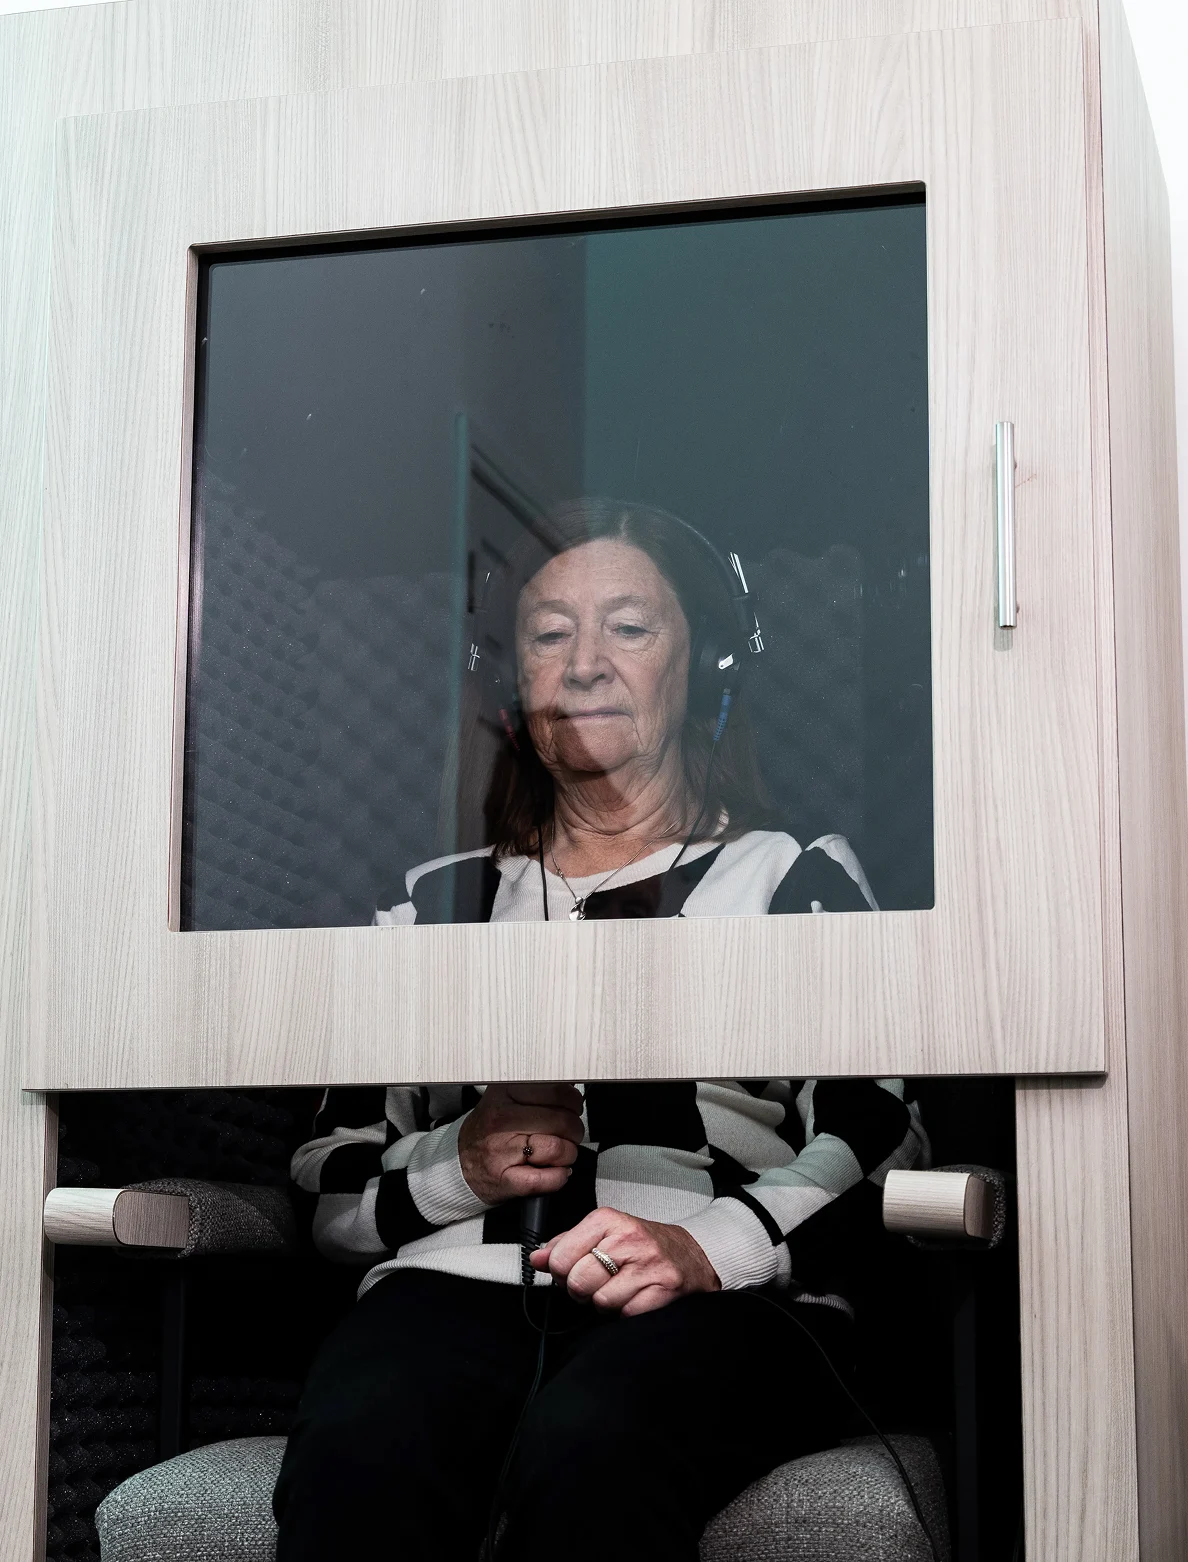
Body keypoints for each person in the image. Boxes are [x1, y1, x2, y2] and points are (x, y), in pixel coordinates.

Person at [272, 500, 925, 1562]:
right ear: (509, 679)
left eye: (629, 625)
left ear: (704, 662)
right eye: (548, 632)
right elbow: (330, 1187)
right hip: (450, 1292)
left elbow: (881, 1132)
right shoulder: (425, 903)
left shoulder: (790, 874)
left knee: (593, 1441)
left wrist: (707, 1246)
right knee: (364, 1447)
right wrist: (461, 1166)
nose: (583, 663)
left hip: (716, 1304)